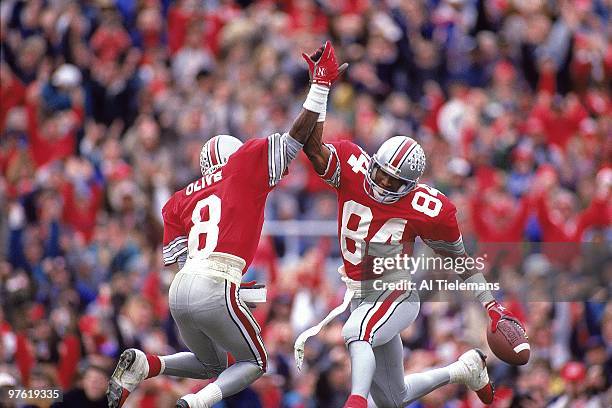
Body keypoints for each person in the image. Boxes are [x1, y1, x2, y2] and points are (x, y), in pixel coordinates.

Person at [106, 41, 347, 408]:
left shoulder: (182, 197)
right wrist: (320, 85)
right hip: (213, 284)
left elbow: (176, 259)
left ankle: (147, 364)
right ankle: (194, 404)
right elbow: (297, 137)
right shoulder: (243, 166)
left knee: (211, 364)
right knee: (256, 362)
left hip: (181, 289)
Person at [295, 50, 525, 408]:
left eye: (393, 179)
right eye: (381, 171)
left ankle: (354, 402)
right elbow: (311, 146)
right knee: (392, 398)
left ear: (410, 184)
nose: (383, 181)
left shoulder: (429, 208)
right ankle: (464, 370)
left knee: (356, 332)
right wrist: (320, 89)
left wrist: (491, 305)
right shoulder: (354, 168)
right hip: (360, 292)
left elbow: (459, 261)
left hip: (395, 292)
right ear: (373, 162)